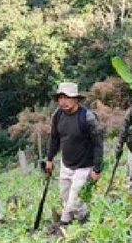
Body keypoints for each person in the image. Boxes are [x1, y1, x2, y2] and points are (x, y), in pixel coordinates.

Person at [44, 82, 104, 224]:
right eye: (60, 98)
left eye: (67, 98)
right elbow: (54, 139)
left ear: (76, 99)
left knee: (74, 201)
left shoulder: (87, 117)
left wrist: (97, 169)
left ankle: (74, 221)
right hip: (66, 164)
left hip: (84, 165)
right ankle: (76, 221)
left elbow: (98, 144)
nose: (63, 102)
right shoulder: (57, 115)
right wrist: (50, 159)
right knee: (66, 197)